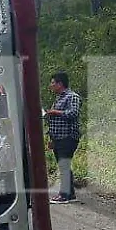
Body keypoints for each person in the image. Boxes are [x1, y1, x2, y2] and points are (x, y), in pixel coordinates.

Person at [43, 72, 82, 204]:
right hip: (58, 138)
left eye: (53, 83)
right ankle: (69, 194)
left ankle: (64, 195)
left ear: (60, 84)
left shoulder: (72, 97)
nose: (51, 85)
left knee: (64, 164)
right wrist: (52, 139)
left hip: (68, 136)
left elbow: (73, 113)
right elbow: (54, 121)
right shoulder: (58, 98)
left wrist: (55, 112)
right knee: (64, 165)